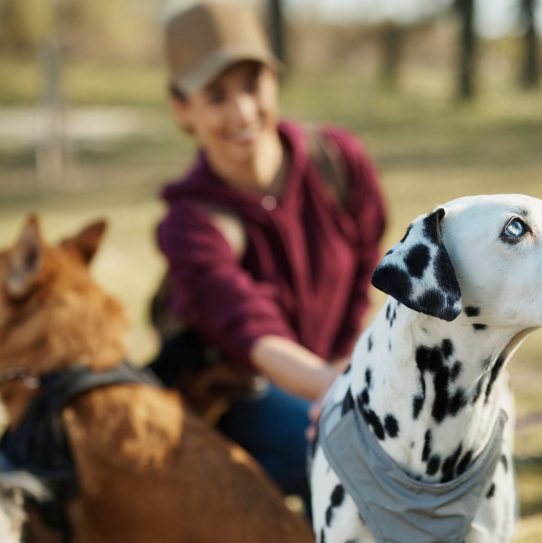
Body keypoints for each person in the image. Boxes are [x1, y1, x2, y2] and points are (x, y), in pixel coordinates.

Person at [151, 1, 386, 510]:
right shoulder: (190, 222)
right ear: (181, 108)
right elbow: (252, 333)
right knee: (350, 457)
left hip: (338, 368)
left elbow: (369, 268)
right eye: (216, 96)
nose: (242, 112)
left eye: (252, 85)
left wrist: (348, 364)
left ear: (275, 81)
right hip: (246, 396)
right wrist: (343, 391)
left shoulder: (339, 161)